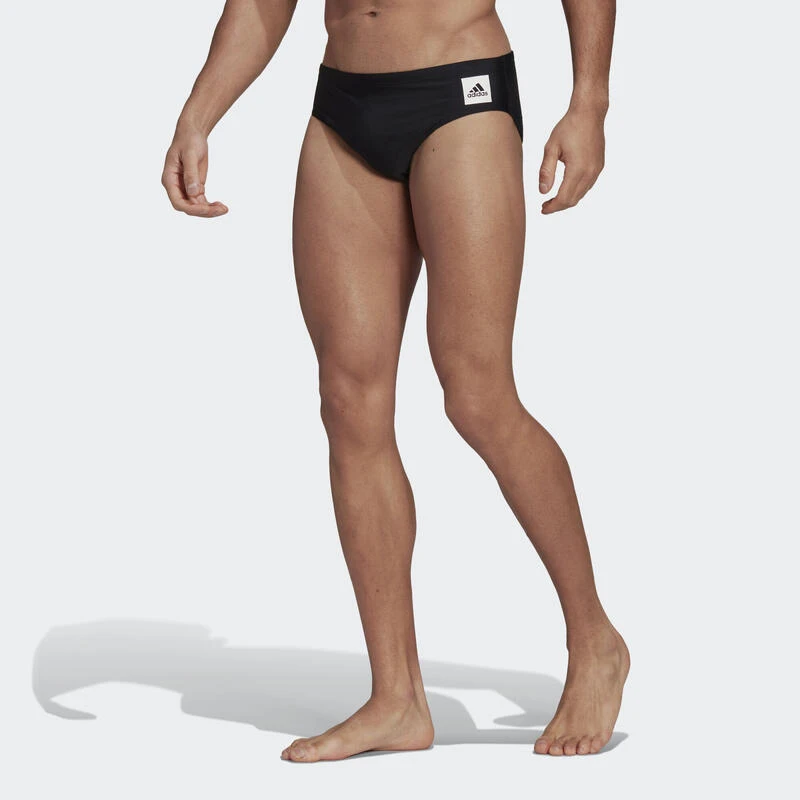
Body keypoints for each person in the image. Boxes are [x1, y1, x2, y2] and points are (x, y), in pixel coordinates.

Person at [161, 0, 629, 761]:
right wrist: (199, 114)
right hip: (343, 108)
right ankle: (396, 699)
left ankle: (594, 638)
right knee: (349, 402)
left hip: (461, 93)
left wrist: (590, 101)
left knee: (477, 395)